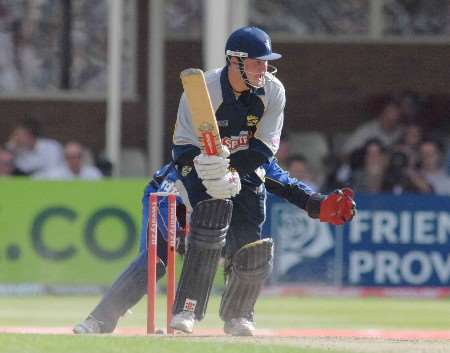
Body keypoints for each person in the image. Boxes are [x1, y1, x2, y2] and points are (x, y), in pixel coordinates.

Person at [169, 26, 355, 336]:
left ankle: (240, 315)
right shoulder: (205, 90)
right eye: (258, 62)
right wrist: (209, 172)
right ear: (235, 61)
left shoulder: (273, 91)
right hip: (202, 164)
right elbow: (182, 148)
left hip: (246, 164)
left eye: (267, 62)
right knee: (210, 225)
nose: (264, 69)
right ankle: (186, 309)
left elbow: (264, 154)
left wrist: (312, 203)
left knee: (249, 237)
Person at [73, 158, 356, 335]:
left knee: (251, 249)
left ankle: (239, 316)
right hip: (170, 200)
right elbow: (166, 192)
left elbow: (287, 184)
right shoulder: (199, 158)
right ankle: (100, 320)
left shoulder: (257, 160)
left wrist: (317, 204)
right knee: (156, 259)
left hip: (221, 216)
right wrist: (180, 231)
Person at [33, 141, 103, 180]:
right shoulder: (55, 175)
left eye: (78, 156)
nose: (75, 160)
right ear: (65, 158)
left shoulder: (93, 173)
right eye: (71, 157)